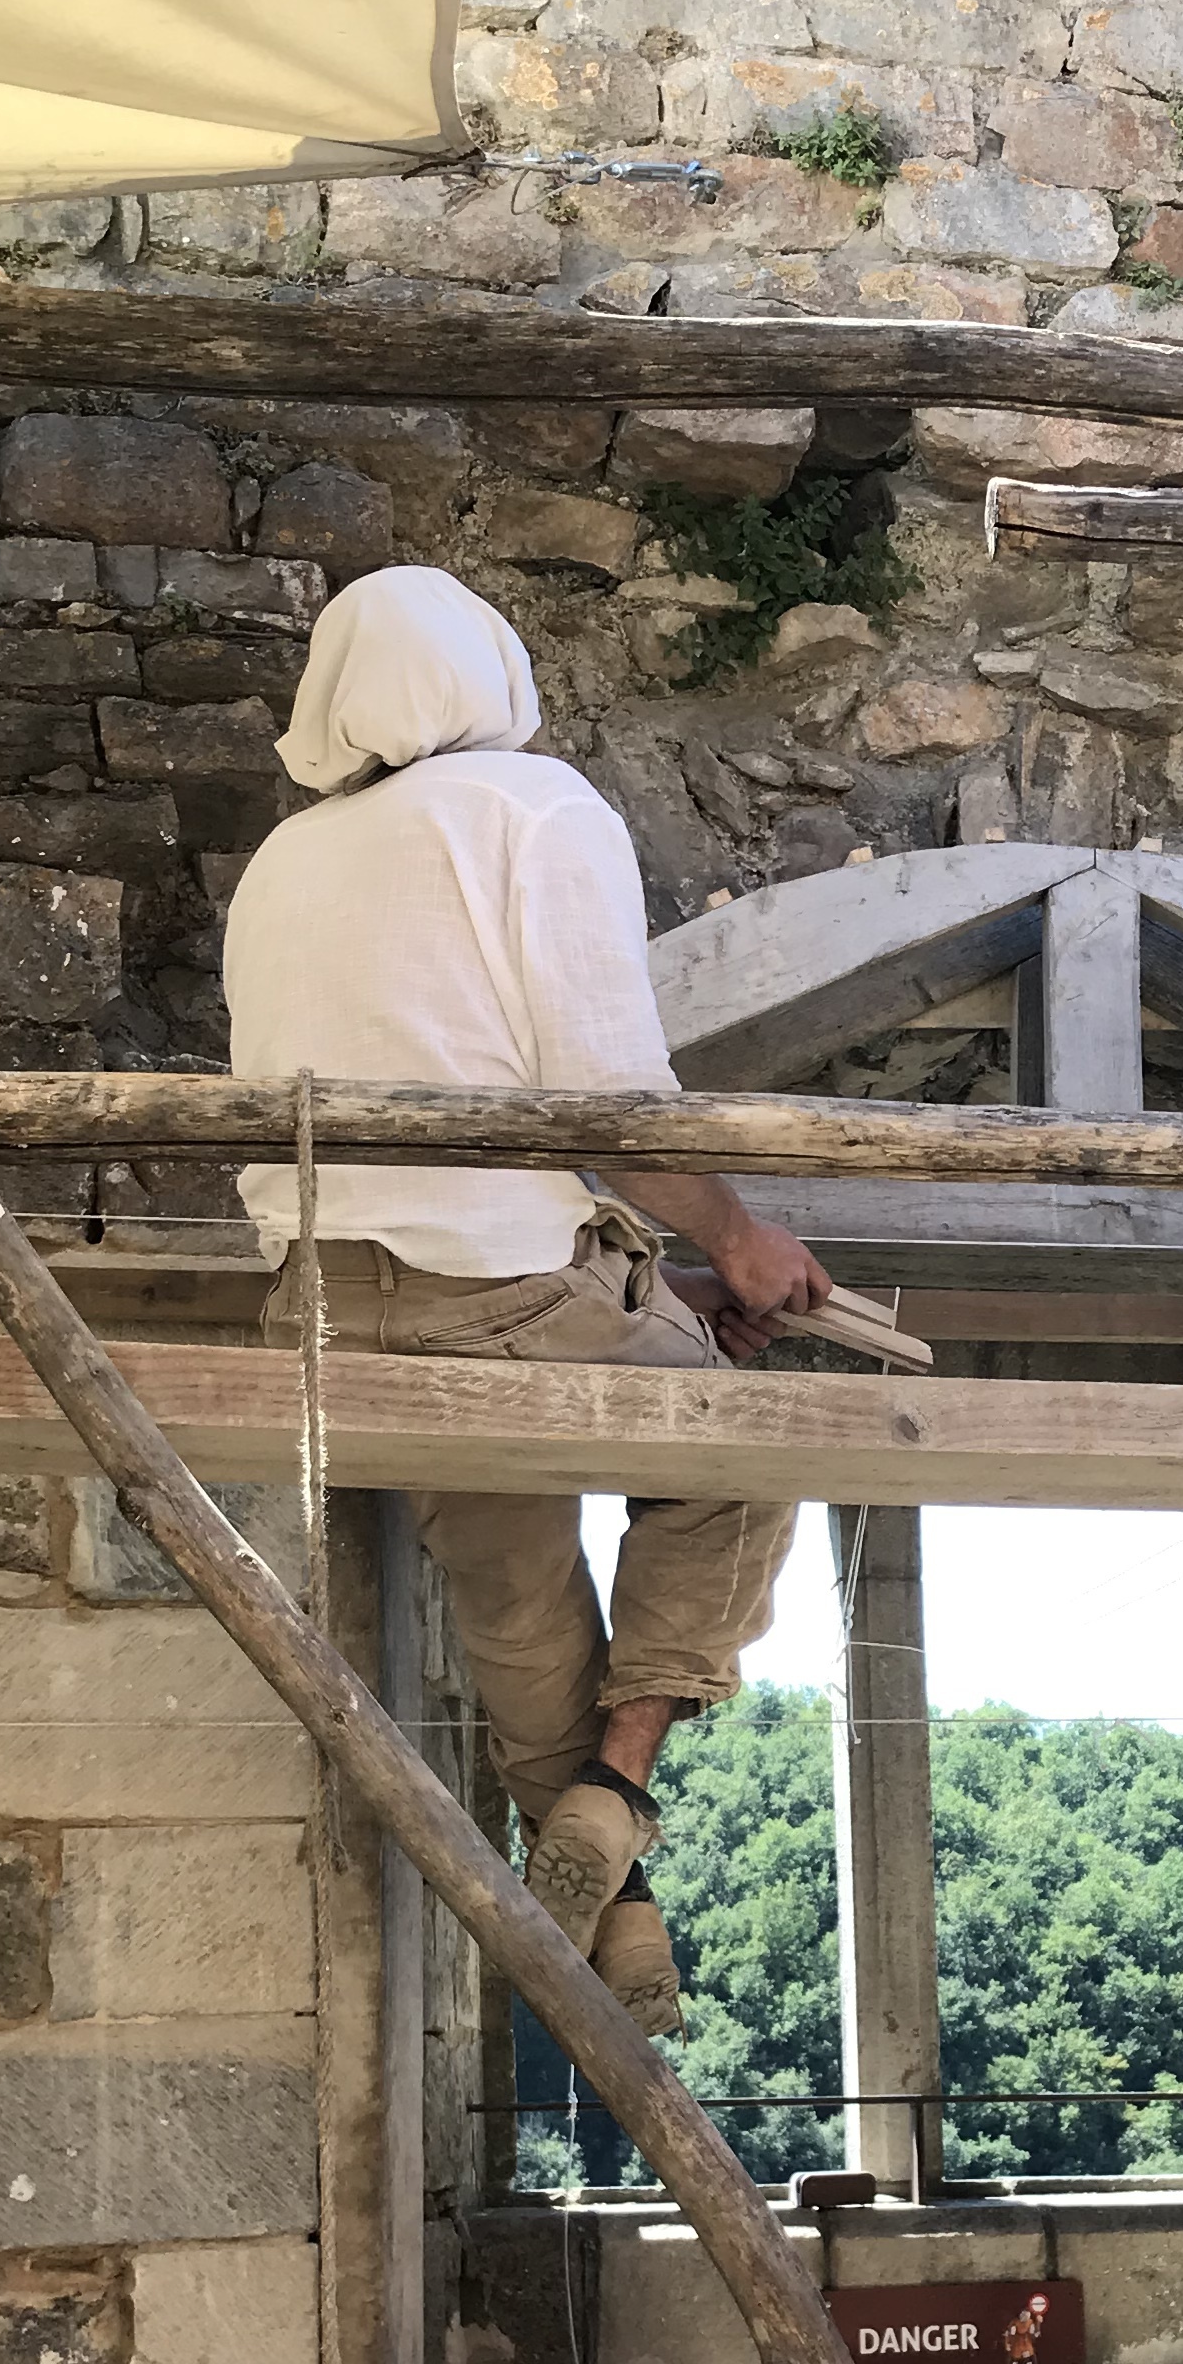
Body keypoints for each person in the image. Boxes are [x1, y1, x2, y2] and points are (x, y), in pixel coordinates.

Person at [223, 566, 830, 2037]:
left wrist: (642, 1273)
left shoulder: (284, 862)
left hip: (319, 1312)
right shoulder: (534, 808)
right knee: (760, 1437)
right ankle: (616, 1793)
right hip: (497, 1293)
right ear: (494, 671)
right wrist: (739, 1242)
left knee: (514, 1595)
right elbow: (610, 1107)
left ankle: (617, 1933)